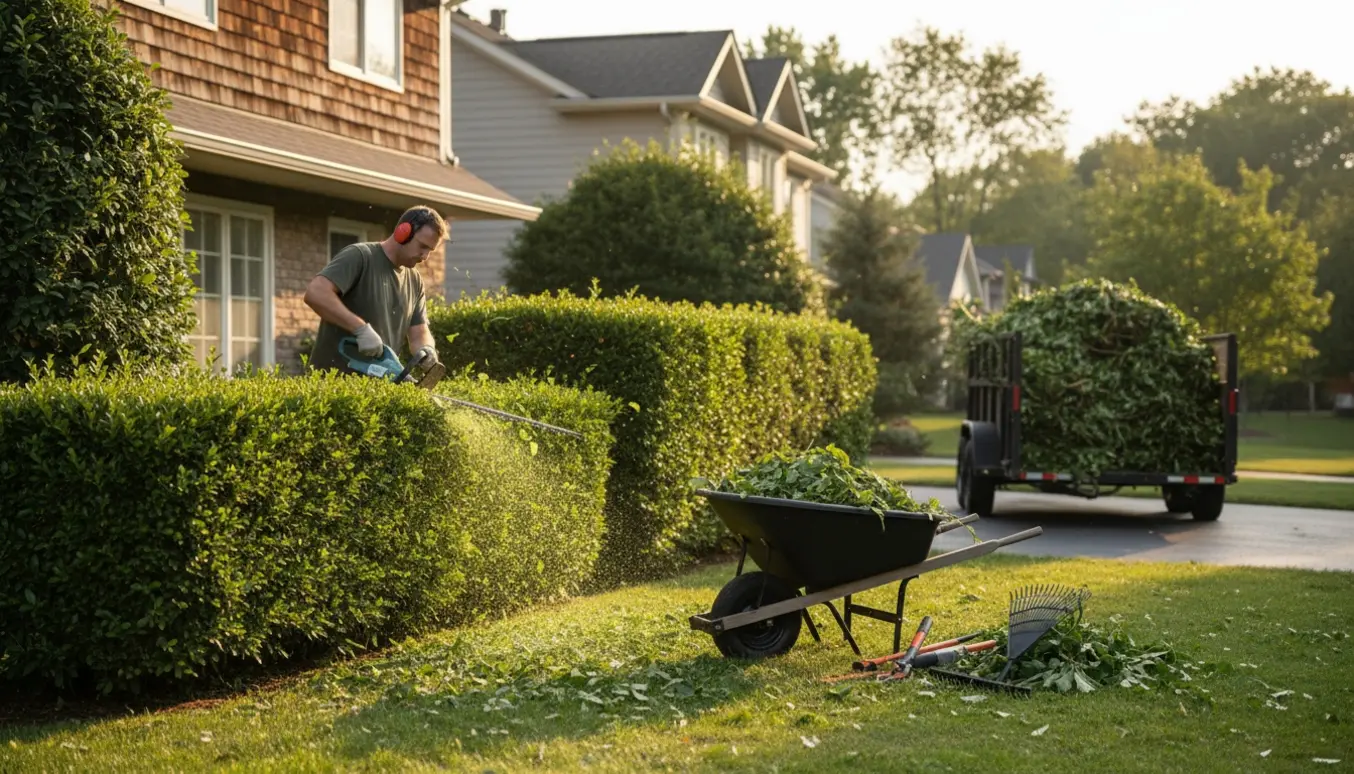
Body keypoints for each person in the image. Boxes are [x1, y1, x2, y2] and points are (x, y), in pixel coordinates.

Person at [303, 205, 446, 374]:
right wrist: (360, 328)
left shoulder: (414, 281)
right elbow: (316, 293)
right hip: (331, 386)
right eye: (422, 246)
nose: (425, 256)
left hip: (376, 388)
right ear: (403, 232)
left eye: (430, 250)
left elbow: (419, 332)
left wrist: (427, 349)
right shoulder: (360, 256)